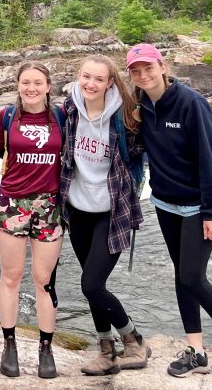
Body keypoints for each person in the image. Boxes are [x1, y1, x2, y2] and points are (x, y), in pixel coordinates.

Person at [126, 43, 212, 385]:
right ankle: (196, 351)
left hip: (199, 206)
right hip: (166, 203)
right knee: (181, 275)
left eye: (148, 68)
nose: (143, 75)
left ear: (162, 66)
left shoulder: (191, 103)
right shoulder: (142, 104)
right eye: (136, 71)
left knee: (193, 278)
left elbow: (209, 160)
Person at [59, 55, 149, 375]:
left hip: (113, 211)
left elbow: (153, 141)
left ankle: (133, 340)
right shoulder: (68, 111)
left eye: (99, 79)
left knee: (91, 284)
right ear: (78, 76)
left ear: (110, 82)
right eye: (86, 77)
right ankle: (106, 351)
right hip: (77, 209)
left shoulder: (125, 117)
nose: (91, 84)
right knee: (90, 283)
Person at [0, 61, 65, 379]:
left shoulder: (61, 117)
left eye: (37, 82)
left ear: (48, 86)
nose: (31, 88)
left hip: (50, 208)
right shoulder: (6, 117)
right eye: (25, 82)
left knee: (44, 281)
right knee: (11, 277)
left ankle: (45, 347)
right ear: (17, 84)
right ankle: (9, 344)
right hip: (12, 205)